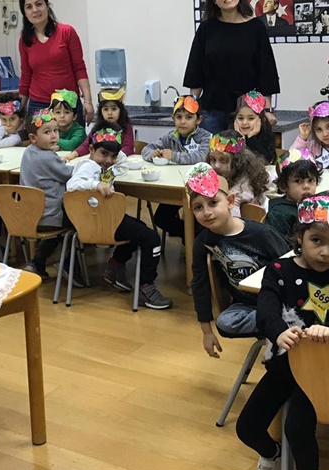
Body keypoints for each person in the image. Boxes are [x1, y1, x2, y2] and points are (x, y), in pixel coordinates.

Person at [237, 192, 329, 470]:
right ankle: (272, 455)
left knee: (297, 428)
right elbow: (265, 310)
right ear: (299, 237)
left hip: (322, 371)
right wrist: (278, 330)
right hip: (284, 366)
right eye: (317, 240)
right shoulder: (278, 270)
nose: (326, 252)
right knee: (247, 427)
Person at [67, 129, 173, 309]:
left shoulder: (105, 167)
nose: (109, 160)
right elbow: (72, 185)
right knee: (152, 239)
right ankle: (146, 288)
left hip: (101, 219)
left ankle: (115, 266)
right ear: (91, 149)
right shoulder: (88, 166)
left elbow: (122, 167)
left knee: (139, 227)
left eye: (113, 156)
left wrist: (117, 152)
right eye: (104, 154)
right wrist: (96, 184)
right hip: (99, 221)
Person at [187, 163, 290, 350]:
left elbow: (289, 264)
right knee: (226, 322)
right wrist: (207, 332)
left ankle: (283, 322)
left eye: (213, 203)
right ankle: (283, 323)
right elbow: (200, 284)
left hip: (278, 299)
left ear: (230, 201)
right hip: (246, 305)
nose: (207, 212)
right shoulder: (203, 242)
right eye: (198, 207)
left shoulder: (261, 234)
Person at [184, 0, 280, 134]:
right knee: (212, 150)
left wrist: (268, 110)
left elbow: (266, 70)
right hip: (212, 108)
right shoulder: (207, 28)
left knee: (246, 151)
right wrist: (190, 108)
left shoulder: (256, 28)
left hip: (247, 110)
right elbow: (196, 69)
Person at [18, 0, 94, 121]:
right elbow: (26, 77)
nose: (35, 10)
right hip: (39, 106)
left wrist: (88, 101)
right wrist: (19, 110)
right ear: (24, 13)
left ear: (47, 5)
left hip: (68, 105)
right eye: (29, 7)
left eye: (39, 4)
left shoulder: (67, 32)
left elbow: (79, 68)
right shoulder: (25, 40)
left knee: (74, 136)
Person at [145, 94, 212, 238]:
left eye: (189, 117)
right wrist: (153, 154)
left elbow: (202, 156)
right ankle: (189, 235)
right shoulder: (170, 137)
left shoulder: (206, 137)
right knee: (160, 218)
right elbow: (146, 149)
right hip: (175, 189)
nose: (183, 122)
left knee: (201, 219)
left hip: (199, 190)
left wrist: (174, 156)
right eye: (179, 117)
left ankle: (196, 236)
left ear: (198, 120)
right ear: (173, 119)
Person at [19, 109, 74, 279]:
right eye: (47, 132)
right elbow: (68, 174)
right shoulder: (48, 158)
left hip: (29, 214)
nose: (54, 135)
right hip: (48, 216)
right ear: (33, 137)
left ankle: (37, 263)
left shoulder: (28, 151)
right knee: (81, 219)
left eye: (55, 130)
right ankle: (70, 265)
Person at [207, 131, 270, 216]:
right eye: (213, 159)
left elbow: (230, 221)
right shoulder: (229, 177)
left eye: (223, 160)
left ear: (237, 162)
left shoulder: (239, 192)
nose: (216, 166)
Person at [65, 87, 135, 160]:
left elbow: (128, 148)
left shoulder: (126, 127)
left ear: (121, 110)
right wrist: (73, 154)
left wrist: (113, 157)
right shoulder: (98, 128)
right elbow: (86, 145)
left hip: (118, 161)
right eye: (105, 109)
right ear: (101, 111)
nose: (109, 113)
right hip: (101, 162)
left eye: (114, 109)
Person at [266, 150, 320, 241]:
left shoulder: (313, 204)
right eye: (298, 181)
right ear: (283, 186)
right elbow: (279, 245)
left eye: (311, 180)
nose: (306, 186)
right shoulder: (279, 214)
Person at [233, 91, 276, 164]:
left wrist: (251, 139)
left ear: (260, 120)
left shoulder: (267, 135)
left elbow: (267, 161)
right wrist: (240, 140)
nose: (244, 123)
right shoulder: (229, 137)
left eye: (251, 118)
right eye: (240, 118)